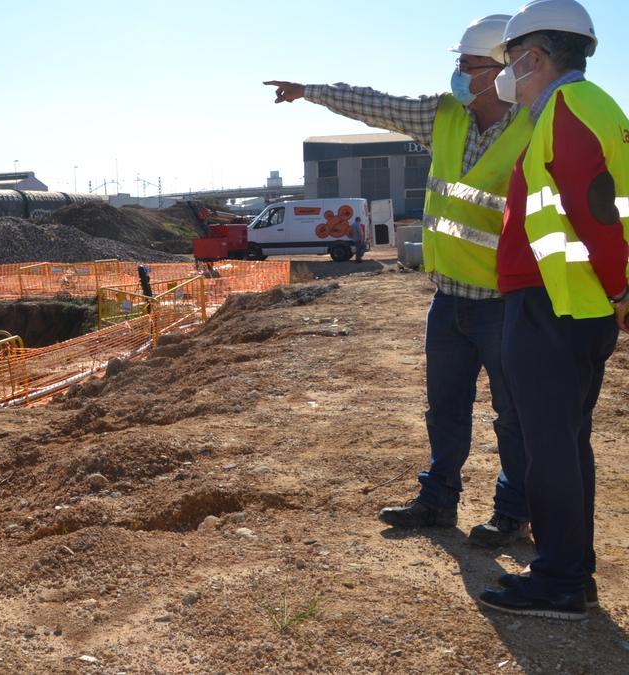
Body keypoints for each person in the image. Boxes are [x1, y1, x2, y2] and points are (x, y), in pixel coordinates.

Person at [265, 14, 535, 546]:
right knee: (445, 408)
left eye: (468, 65)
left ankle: (513, 510)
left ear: (501, 71)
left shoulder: (535, 126)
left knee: (515, 416)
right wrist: (310, 92)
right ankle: (437, 501)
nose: (458, 75)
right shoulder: (444, 114)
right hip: (448, 297)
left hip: (505, 302)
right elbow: (374, 103)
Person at [475, 0, 627, 620]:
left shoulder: (565, 110)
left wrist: (618, 290)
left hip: (552, 303)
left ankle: (561, 578)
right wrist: (617, 291)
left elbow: (595, 212)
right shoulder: (599, 109)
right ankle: (573, 572)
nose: (506, 74)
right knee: (566, 443)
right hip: (575, 303)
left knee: (549, 449)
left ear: (535, 57)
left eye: (511, 61)